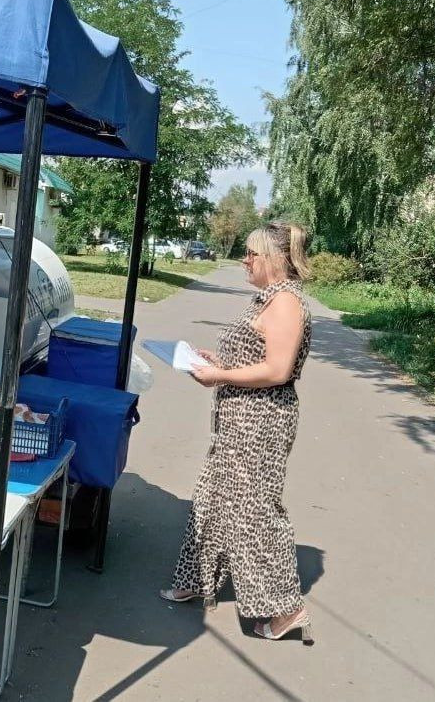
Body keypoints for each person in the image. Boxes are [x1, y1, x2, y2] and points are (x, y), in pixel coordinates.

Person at [160, 221, 314, 644]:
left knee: (255, 513)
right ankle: (196, 578)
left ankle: (287, 608)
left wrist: (221, 375)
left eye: (252, 253)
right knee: (211, 497)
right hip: (237, 418)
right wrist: (215, 360)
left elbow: (277, 370)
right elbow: (254, 353)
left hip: (260, 423)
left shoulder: (285, 303)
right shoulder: (265, 299)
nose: (245, 260)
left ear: (277, 259)